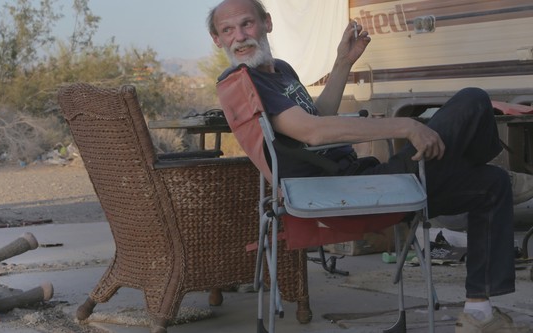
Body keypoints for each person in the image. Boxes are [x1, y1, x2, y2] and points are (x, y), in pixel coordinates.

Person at [207, 0, 533, 332]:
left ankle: (479, 314)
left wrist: (343, 62)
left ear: (267, 23)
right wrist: (405, 126)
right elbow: (314, 132)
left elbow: (318, 116)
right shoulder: (245, 82)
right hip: (341, 196)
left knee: (491, 185)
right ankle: (468, 166)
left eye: (246, 24)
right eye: (227, 30)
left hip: (359, 182)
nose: (239, 37)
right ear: (218, 40)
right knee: (472, 100)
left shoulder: (281, 71)